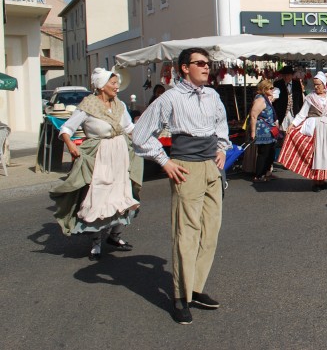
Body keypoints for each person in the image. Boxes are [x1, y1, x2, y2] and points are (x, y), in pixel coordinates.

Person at [132, 47, 231, 325]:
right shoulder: (171, 98)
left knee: (210, 230)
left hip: (211, 166)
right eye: (200, 63)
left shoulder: (212, 95)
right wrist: (164, 162)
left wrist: (222, 148)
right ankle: (180, 296)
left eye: (208, 63)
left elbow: (220, 125)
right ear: (185, 68)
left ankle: (195, 287)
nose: (206, 67)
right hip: (186, 166)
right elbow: (140, 134)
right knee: (186, 232)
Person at [51, 68, 141, 262]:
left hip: (121, 154)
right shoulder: (88, 106)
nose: (117, 87)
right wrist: (71, 146)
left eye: (117, 83)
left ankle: (115, 236)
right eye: (113, 83)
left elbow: (129, 128)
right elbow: (66, 128)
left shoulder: (119, 105)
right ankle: (96, 244)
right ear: (101, 86)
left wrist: (145, 138)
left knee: (124, 195)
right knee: (99, 198)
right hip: (99, 157)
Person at [279, 72, 327, 191]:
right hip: (316, 128)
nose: (316, 87)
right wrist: (293, 124)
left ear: (324, 84)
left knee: (326, 154)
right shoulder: (310, 98)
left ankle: (322, 180)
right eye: (315, 84)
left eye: (318, 84)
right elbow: (302, 114)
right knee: (317, 155)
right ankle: (316, 181)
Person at [249, 78, 279, 182]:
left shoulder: (266, 98)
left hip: (269, 131)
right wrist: (253, 132)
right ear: (264, 89)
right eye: (270, 88)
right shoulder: (260, 99)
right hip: (263, 131)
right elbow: (253, 116)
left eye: (272, 88)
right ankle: (259, 175)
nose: (272, 90)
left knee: (270, 153)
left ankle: (266, 172)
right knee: (263, 154)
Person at [273, 65, 304, 131]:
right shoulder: (277, 84)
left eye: (288, 75)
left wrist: (300, 112)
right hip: (282, 113)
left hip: (294, 112)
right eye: (284, 75)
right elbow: (274, 101)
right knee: (282, 132)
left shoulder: (297, 84)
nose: (286, 77)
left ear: (292, 75)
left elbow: (300, 100)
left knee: (293, 131)